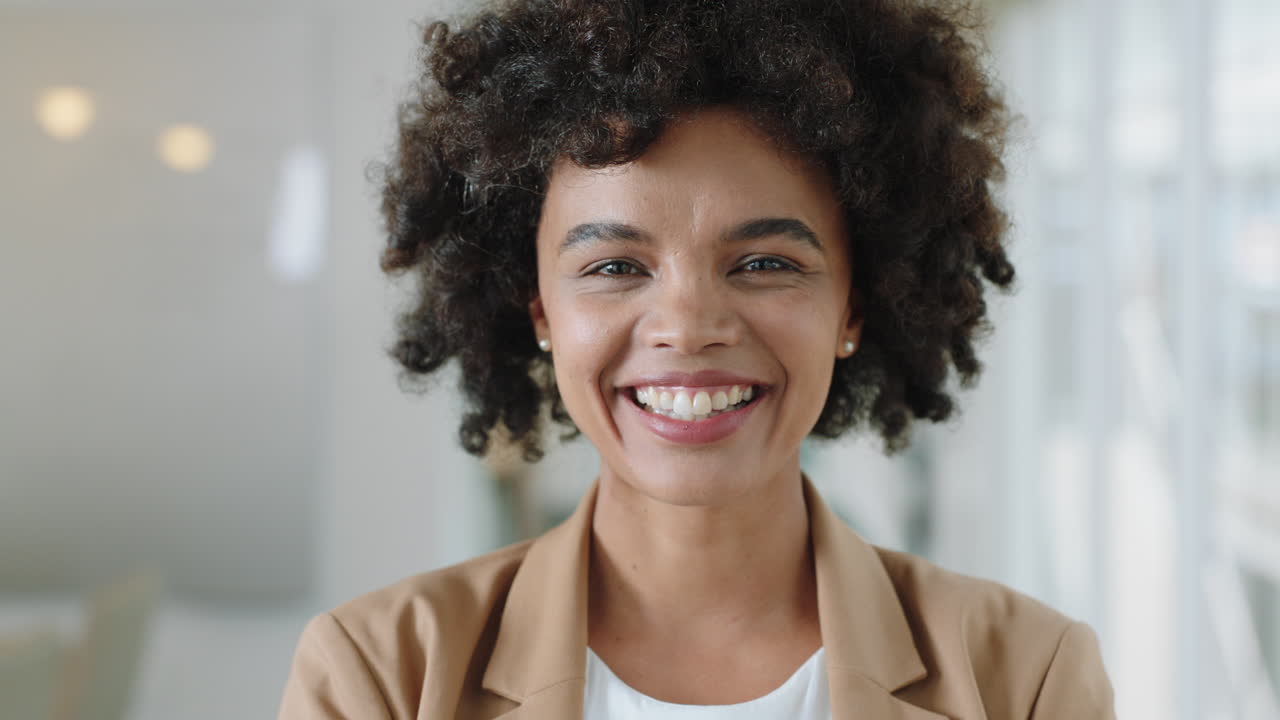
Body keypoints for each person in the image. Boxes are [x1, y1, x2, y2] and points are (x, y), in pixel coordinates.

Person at [278, 0, 1116, 717]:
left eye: (764, 263)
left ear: (854, 308)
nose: (687, 324)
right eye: (613, 267)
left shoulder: (1023, 679)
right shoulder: (382, 675)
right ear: (538, 310)